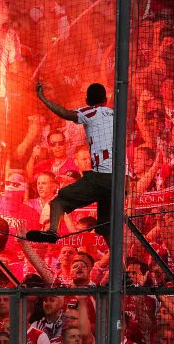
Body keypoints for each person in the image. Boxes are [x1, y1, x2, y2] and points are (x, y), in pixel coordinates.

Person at [26, 82, 113, 244]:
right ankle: (121, 267)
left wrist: (43, 99)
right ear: (106, 100)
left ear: (87, 101)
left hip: (99, 175)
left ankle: (52, 231)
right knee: (105, 228)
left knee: (59, 200)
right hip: (117, 179)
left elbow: (64, 113)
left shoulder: (91, 112)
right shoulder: (114, 115)